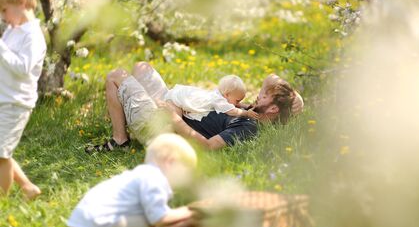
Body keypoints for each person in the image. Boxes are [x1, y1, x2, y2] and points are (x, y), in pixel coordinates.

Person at [86, 61, 303, 152]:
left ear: (274, 109)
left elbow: (208, 146)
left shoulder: (248, 127)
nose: (259, 94)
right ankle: (128, 118)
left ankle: (120, 139)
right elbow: (270, 79)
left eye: (265, 95)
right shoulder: (250, 111)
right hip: (173, 109)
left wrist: (175, 119)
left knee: (115, 76)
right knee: (141, 68)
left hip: (166, 127)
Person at [68, 133, 197, 227]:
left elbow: (161, 226)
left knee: (146, 220)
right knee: (148, 223)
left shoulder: (142, 174)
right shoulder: (154, 178)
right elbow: (160, 220)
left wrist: (188, 222)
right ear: (170, 162)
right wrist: (190, 211)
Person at [0, 0, 46, 199]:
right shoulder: (13, 30)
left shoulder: (33, 36)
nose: (2, 16)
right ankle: (28, 188)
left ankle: (2, 202)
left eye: (4, 9)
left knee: (1, 155)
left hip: (16, 103)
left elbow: (23, 67)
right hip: (4, 98)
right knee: (2, 150)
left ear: (21, 3)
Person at [165, 74, 260, 121]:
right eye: (237, 100)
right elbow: (232, 111)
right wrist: (246, 113)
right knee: (177, 122)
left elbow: (234, 104)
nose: (237, 103)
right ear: (226, 95)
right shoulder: (219, 100)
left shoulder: (218, 93)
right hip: (178, 100)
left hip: (180, 95)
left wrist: (245, 105)